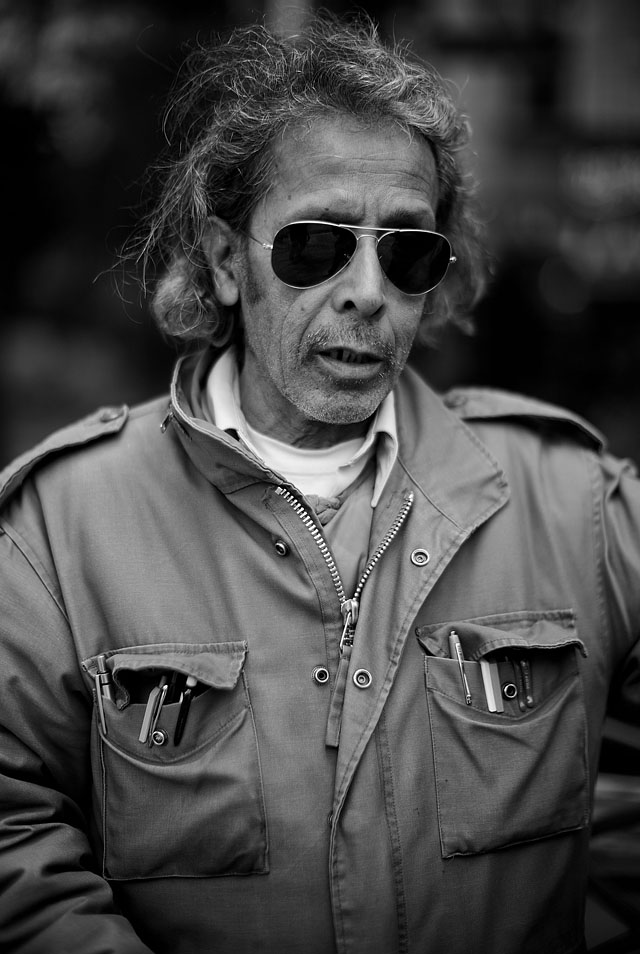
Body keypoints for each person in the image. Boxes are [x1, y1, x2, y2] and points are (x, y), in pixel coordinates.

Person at [0, 14, 638, 954]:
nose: (368, 291)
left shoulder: (578, 504)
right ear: (225, 262)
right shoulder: (58, 529)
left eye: (408, 252)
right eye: (315, 246)